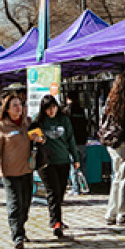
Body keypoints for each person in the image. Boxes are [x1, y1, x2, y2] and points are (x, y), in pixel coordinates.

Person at [0, 93, 39, 249]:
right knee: (14, 204)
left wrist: (39, 139)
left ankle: (21, 227)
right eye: (15, 106)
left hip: (27, 169)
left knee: (25, 203)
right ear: (8, 110)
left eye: (21, 105)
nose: (19, 108)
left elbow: (41, 139)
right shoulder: (2, 126)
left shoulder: (28, 122)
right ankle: (17, 236)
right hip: (10, 172)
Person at [32, 95, 79, 238]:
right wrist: (37, 138)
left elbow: (71, 139)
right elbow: (31, 136)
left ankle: (57, 217)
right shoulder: (39, 120)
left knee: (60, 192)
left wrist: (75, 158)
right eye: (48, 108)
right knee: (53, 192)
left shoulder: (64, 120)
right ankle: (56, 223)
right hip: (46, 163)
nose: (51, 111)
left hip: (63, 160)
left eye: (53, 107)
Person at [99, 75, 125, 225]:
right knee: (123, 178)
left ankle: (112, 212)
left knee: (117, 177)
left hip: (112, 143)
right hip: (122, 141)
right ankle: (121, 213)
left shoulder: (111, 101)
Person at [65, 93, 89, 195]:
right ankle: (84, 186)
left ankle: (76, 188)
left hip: (72, 142)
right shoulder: (81, 110)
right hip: (82, 141)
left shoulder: (67, 111)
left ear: (67, 99)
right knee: (82, 165)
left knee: (73, 165)